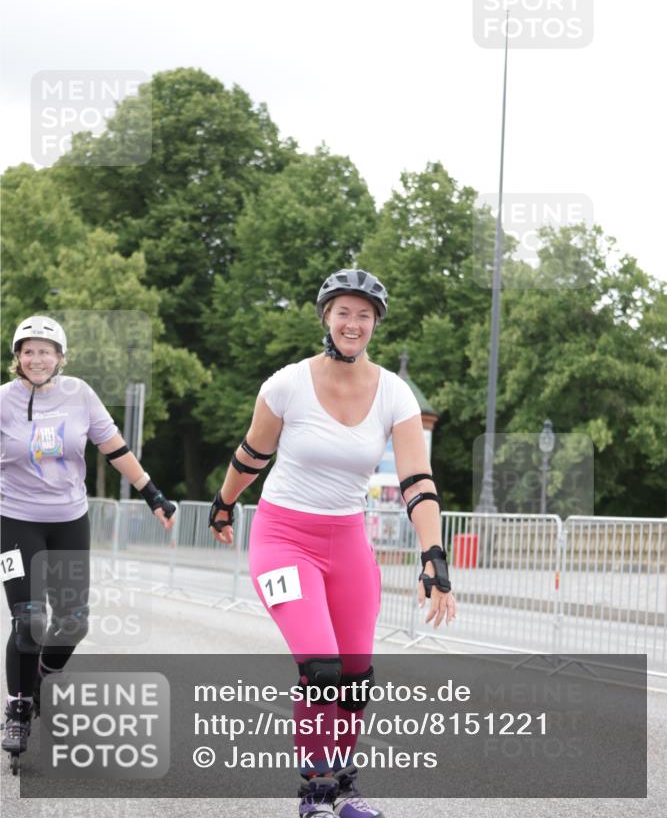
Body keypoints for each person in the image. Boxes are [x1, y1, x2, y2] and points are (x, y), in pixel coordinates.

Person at [210, 270, 456, 818]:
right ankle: (314, 793)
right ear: (326, 316)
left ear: (375, 324)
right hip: (282, 536)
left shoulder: (394, 392)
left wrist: (433, 555)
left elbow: (417, 480)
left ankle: (343, 786)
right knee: (319, 668)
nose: (353, 323)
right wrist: (224, 504)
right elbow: (252, 455)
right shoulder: (287, 384)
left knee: (354, 678)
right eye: (344, 311)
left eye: (364, 315)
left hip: (346, 539)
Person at [0, 315, 176, 766]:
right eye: (28, 350)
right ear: (17, 358)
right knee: (30, 618)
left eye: (45, 350)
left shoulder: (79, 394)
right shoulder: (3, 401)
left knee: (74, 621)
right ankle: (18, 705)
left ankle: (39, 676)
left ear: (60, 357)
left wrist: (153, 494)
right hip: (14, 522)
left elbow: (113, 447)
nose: (36, 358)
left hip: (68, 520)